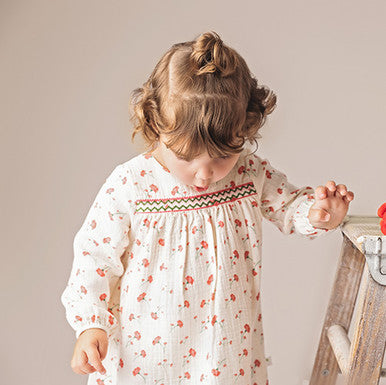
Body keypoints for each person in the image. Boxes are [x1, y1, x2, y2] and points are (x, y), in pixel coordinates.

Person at [60, 31, 354, 385]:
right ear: (156, 125)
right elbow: (94, 257)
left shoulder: (248, 172)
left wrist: (320, 212)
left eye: (221, 156)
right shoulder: (131, 185)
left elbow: (289, 206)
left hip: (226, 352)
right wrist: (91, 324)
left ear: (244, 129)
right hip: (146, 358)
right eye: (186, 157)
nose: (204, 174)